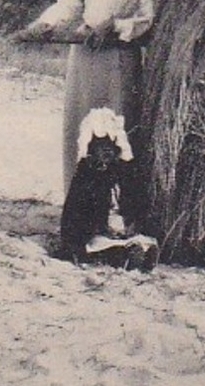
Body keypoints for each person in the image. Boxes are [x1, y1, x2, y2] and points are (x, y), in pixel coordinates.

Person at [31, 0, 159, 197]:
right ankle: (80, 204)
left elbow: (146, 18)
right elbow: (72, 1)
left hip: (120, 60)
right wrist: (45, 23)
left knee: (119, 129)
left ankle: (119, 206)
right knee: (82, 126)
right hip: (86, 58)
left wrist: (113, 25)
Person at [58, 108, 159, 270]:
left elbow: (137, 201)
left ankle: (137, 254)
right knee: (102, 246)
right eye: (101, 147)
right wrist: (100, 228)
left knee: (142, 241)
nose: (107, 152)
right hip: (96, 235)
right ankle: (123, 257)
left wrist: (132, 223)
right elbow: (77, 214)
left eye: (111, 147)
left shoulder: (122, 173)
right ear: (91, 149)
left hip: (122, 232)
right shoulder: (86, 176)